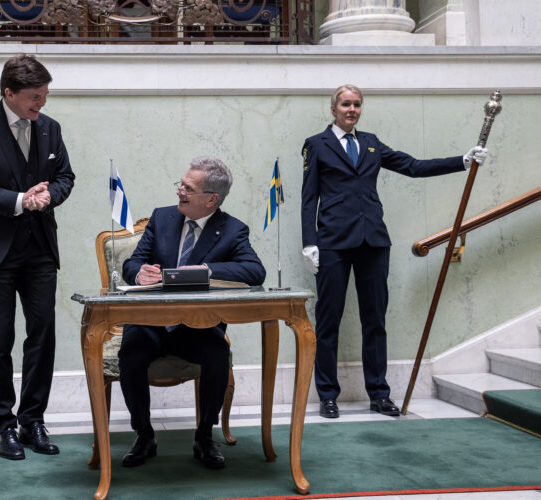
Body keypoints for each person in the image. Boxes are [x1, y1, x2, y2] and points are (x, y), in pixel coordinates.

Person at [300, 84, 487, 419]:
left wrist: (462, 160)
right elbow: (308, 197)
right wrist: (309, 242)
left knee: (376, 320)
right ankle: (328, 395)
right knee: (328, 322)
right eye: (345, 104)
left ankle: (379, 394)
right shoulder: (316, 145)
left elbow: (413, 166)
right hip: (332, 244)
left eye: (357, 104)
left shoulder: (371, 142)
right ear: (333, 108)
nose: (352, 109)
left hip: (373, 241)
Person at [0, 55, 75, 459]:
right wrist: (19, 200)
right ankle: (3, 426)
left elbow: (65, 178)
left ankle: (33, 420)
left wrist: (49, 196)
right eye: (35, 96)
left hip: (39, 249)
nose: (42, 103)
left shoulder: (50, 128)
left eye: (45, 95)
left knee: (43, 334)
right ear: (9, 93)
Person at [118, 156, 266, 469]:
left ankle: (204, 437)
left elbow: (255, 270)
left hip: (197, 327)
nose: (179, 192)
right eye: (181, 184)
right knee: (130, 352)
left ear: (211, 199)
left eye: (188, 188)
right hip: (150, 323)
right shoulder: (162, 218)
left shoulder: (232, 230)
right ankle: (144, 435)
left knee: (217, 353)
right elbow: (131, 263)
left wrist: (207, 269)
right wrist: (138, 272)